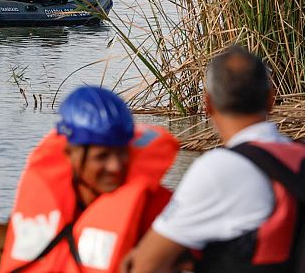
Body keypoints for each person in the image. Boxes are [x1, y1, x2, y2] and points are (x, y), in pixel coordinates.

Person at [122, 45, 305, 273]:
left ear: (208, 104)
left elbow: (145, 266)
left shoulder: (219, 169)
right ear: (271, 99)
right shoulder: (298, 155)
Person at [0, 86, 179, 273]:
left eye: (123, 153)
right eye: (102, 156)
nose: (115, 166)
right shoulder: (40, 205)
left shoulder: (157, 207)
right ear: (70, 154)